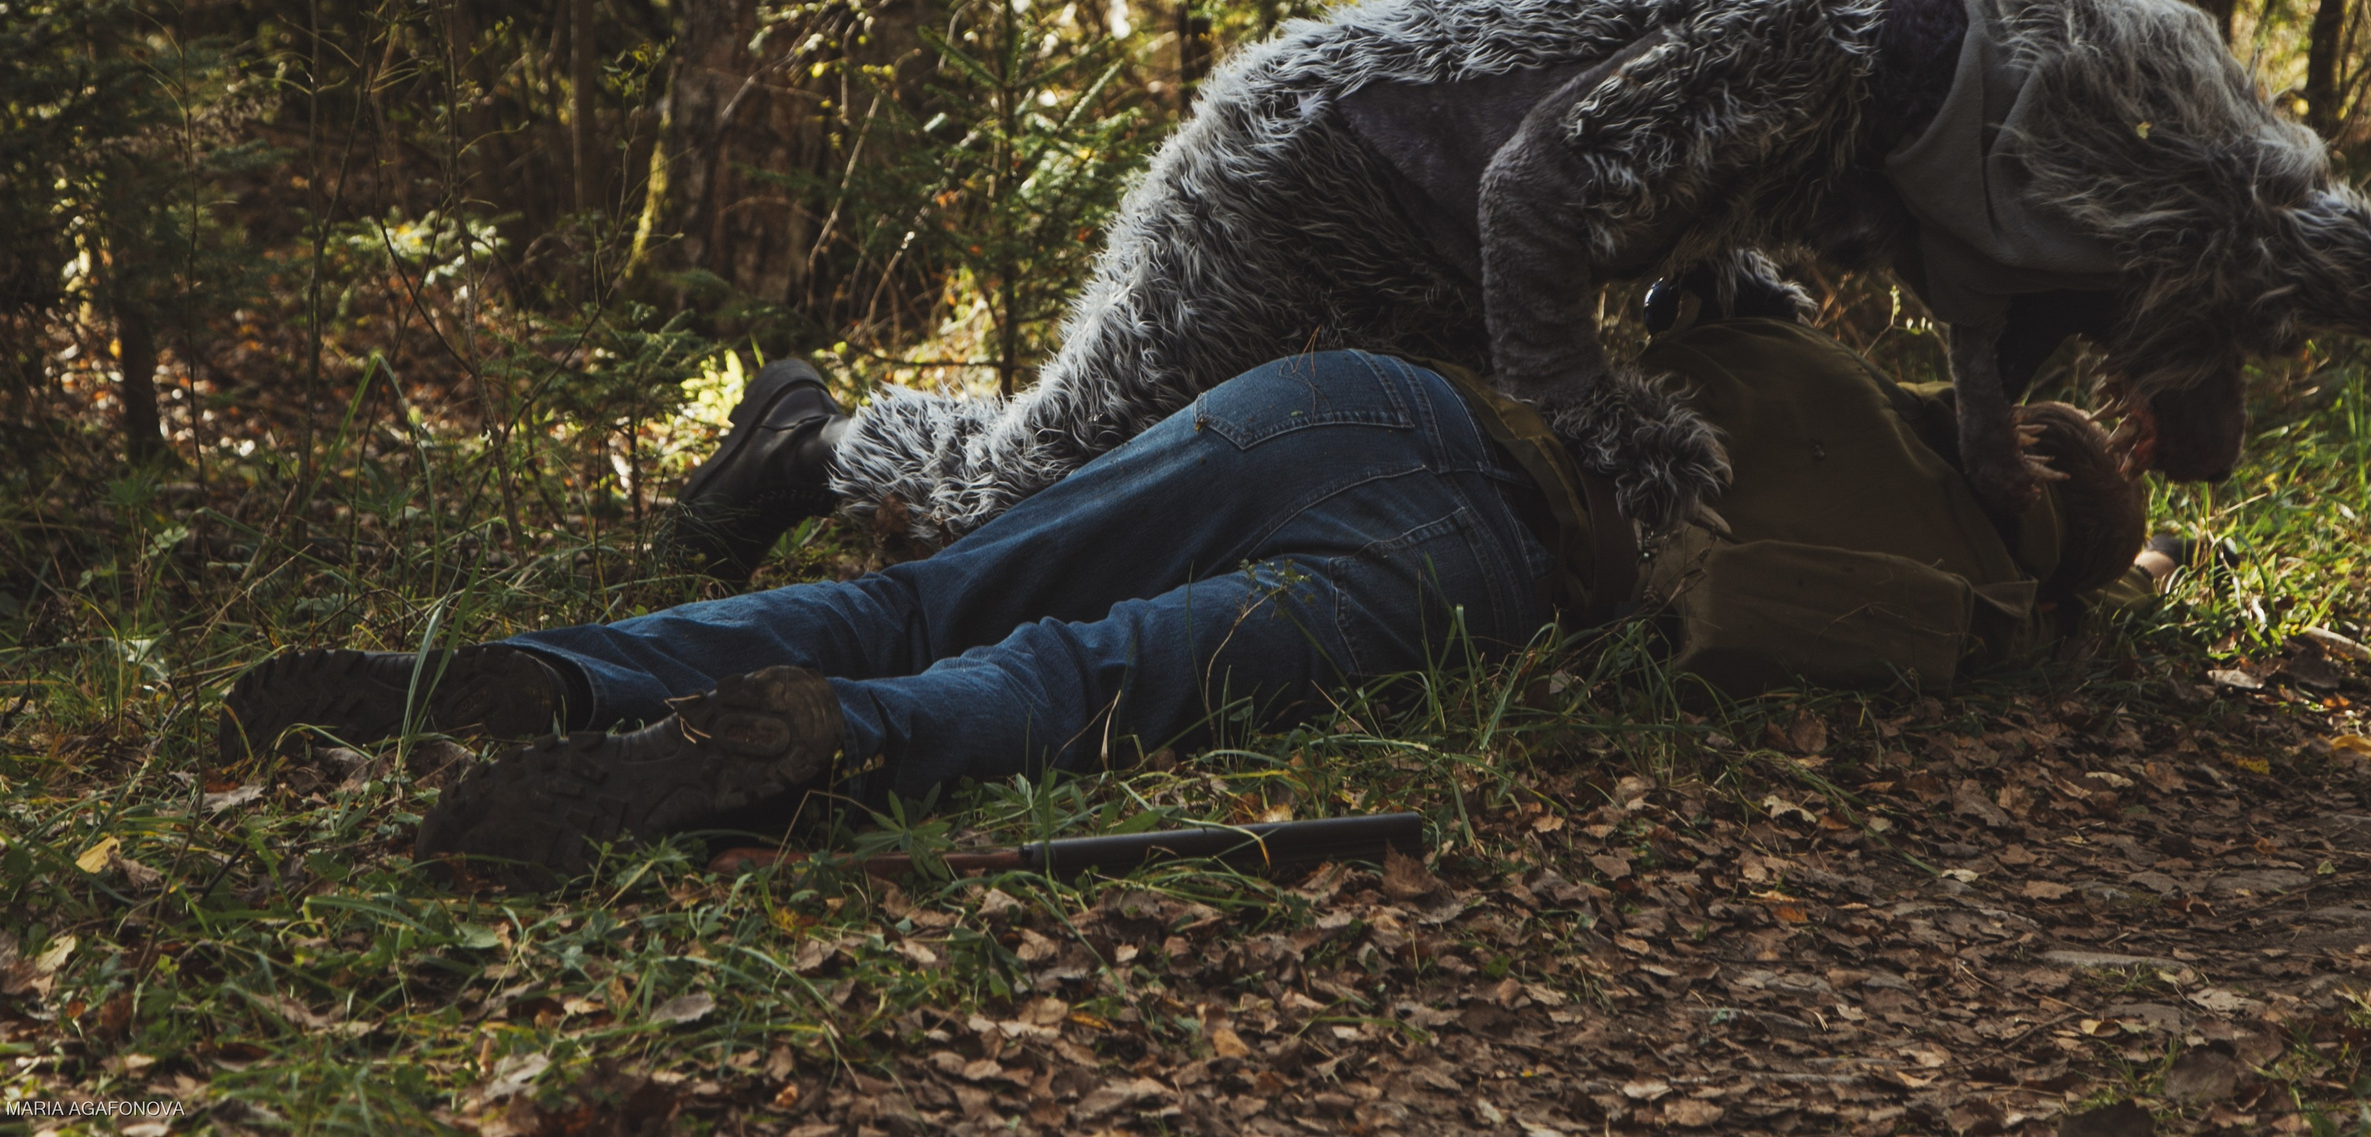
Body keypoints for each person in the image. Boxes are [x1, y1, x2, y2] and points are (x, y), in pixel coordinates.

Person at [216, 309, 2147, 888]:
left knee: (1002, 624)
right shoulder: (1900, 484)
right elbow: (1730, 624)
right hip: (1423, 478)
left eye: (2073, 479)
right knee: (1044, 645)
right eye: (2052, 441)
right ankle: (638, 714)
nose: (2045, 460)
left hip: (1390, 445)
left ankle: (630, 703)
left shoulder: (1832, 398)